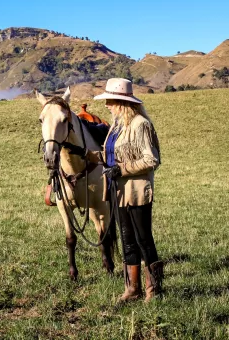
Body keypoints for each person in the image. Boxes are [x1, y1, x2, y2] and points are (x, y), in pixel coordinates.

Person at [86, 78, 163, 302]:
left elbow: (151, 159)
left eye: (110, 100)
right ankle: (132, 290)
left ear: (121, 102)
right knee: (127, 240)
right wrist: (88, 155)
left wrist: (122, 170)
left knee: (143, 240)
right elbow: (111, 157)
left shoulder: (141, 124)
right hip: (117, 192)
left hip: (137, 191)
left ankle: (154, 290)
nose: (107, 105)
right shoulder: (117, 127)